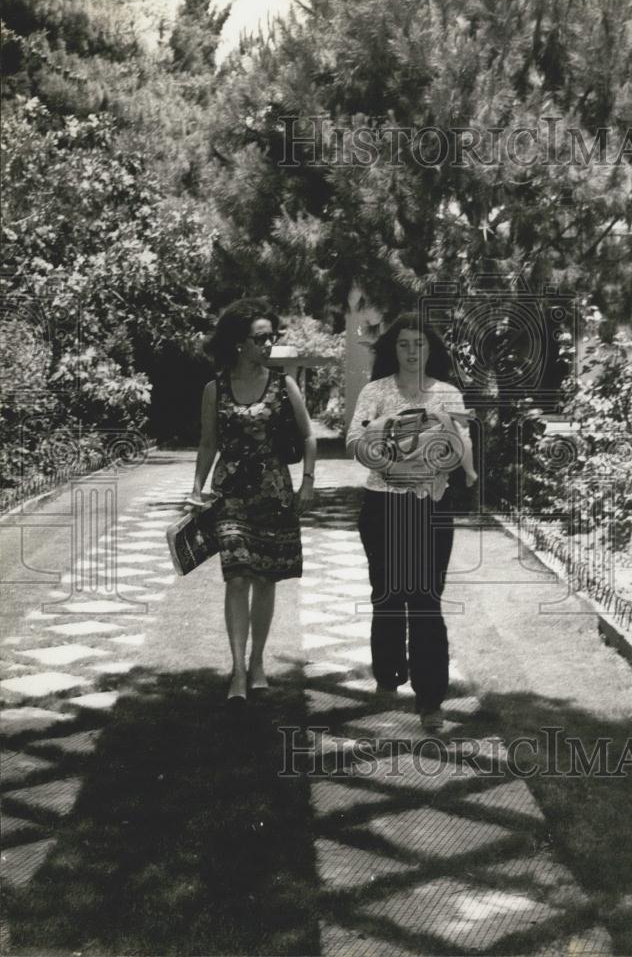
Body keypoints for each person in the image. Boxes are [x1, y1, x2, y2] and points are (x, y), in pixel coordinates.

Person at [346, 313, 477, 732]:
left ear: (430, 348)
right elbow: (354, 439)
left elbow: (461, 445)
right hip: (382, 505)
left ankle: (430, 697)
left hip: (429, 508)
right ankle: (388, 675)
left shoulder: (448, 394)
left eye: (419, 343)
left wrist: (447, 458)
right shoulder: (375, 392)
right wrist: (393, 469)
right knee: (387, 593)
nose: (411, 351)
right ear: (392, 349)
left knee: (424, 599)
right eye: (403, 344)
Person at [188, 300, 316, 703]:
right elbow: (209, 442)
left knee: (265, 578)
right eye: (261, 338)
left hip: (275, 492)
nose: (269, 344)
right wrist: (196, 488)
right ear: (239, 343)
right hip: (231, 493)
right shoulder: (215, 388)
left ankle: (258, 659)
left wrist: (307, 484)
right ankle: (238, 670)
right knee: (237, 575)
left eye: (272, 337)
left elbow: (309, 436)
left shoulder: (284, 384)